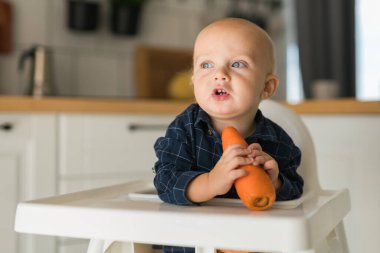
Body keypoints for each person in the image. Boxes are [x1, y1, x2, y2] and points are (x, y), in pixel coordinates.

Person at [153, 17, 304, 253]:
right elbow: (166, 183)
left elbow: (296, 189)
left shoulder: (277, 141)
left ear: (267, 87)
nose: (220, 74)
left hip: (255, 243)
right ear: (194, 82)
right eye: (206, 65)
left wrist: (275, 182)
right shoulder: (184, 130)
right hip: (195, 242)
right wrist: (211, 182)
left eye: (237, 64)